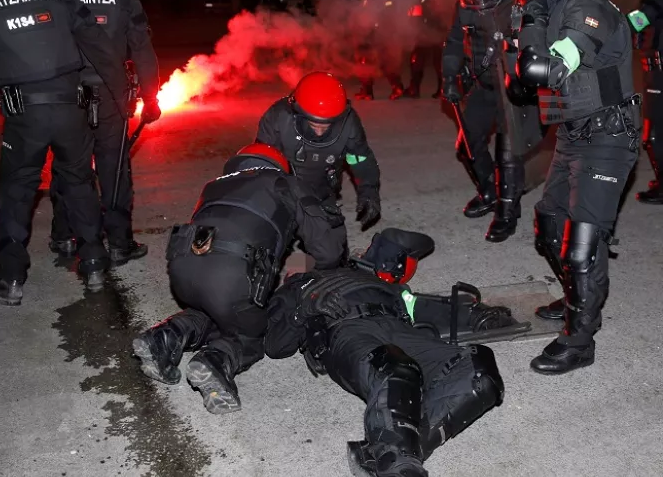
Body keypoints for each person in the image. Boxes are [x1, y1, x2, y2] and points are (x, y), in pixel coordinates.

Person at [265, 228, 506, 477]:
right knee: (397, 370)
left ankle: (393, 451)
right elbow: (275, 345)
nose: (303, 265)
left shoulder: (369, 278)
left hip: (396, 325)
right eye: (295, 267)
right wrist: (303, 311)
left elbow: (420, 306)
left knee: (479, 374)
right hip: (346, 331)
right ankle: (399, 466)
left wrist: (475, 315)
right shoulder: (294, 290)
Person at [131, 143, 346, 414]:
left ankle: (164, 336)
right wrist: (325, 272)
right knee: (251, 333)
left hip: (183, 272)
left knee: (215, 310)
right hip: (231, 276)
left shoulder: (213, 186)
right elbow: (326, 248)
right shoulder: (285, 182)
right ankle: (215, 361)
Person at [0, 0, 128, 304]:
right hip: (70, 108)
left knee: (16, 190)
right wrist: (120, 97)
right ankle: (94, 262)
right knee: (79, 183)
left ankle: (9, 278)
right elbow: (96, 42)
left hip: (24, 113)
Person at [515, 0, 640, 373]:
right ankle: (576, 299)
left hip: (608, 138)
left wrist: (530, 24)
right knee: (550, 223)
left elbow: (541, 70)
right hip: (575, 132)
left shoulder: (588, 7)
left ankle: (580, 340)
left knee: (582, 245)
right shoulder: (556, 4)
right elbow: (522, 86)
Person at [49, 0, 161, 265]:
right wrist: (151, 97)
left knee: (69, 167)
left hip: (67, 95)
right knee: (114, 169)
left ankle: (64, 236)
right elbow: (142, 49)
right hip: (112, 94)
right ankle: (120, 243)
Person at [442, 0, 528, 243]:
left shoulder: (519, 1)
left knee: (508, 153)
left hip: (510, 85)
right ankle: (490, 191)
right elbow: (455, 41)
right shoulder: (466, 4)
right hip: (483, 83)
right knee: (467, 143)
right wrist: (449, 78)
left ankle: (507, 211)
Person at [255, 72, 382, 247]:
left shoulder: (349, 123)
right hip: (283, 190)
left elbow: (358, 159)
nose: (320, 132)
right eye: (314, 125)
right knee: (262, 243)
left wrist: (369, 191)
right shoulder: (278, 117)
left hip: (321, 192)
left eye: (326, 125)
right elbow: (261, 161)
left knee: (333, 252)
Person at [628, 0, 663, 203]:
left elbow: (638, 21)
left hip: (659, 74)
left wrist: (611, 24)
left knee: (655, 132)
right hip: (656, 71)